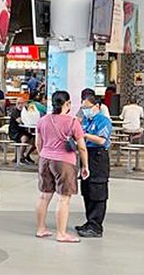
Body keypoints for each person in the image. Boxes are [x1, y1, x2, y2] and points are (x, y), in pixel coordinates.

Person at [34, 91, 89, 243]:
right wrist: (85, 166)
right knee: (63, 199)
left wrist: (44, 154)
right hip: (64, 162)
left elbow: (38, 143)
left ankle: (40, 229)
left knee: (44, 195)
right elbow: (82, 147)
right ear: (67, 104)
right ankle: (61, 233)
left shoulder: (43, 120)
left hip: (45, 159)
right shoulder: (73, 122)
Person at [77, 93, 112, 238]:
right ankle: (89, 221)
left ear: (96, 106)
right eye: (83, 107)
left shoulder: (103, 121)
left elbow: (102, 140)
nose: (85, 110)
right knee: (87, 189)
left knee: (97, 190)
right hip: (86, 155)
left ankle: (96, 225)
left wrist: (85, 136)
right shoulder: (85, 120)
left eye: (87, 107)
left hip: (98, 156)